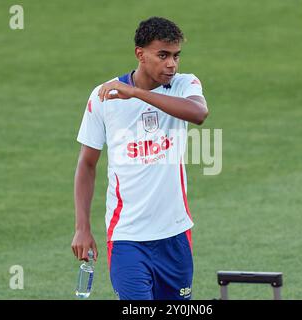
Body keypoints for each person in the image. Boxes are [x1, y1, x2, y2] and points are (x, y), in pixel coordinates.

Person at [71, 16, 208, 300]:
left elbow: (198, 114)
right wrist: (82, 228)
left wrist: (137, 94)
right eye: (163, 55)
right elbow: (87, 163)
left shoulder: (184, 85)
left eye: (176, 56)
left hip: (175, 234)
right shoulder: (103, 97)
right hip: (127, 237)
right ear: (140, 54)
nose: (171, 64)